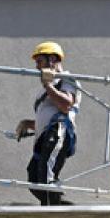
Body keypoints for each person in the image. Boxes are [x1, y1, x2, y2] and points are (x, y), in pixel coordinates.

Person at [15, 41, 80, 206]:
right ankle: (60, 207)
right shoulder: (48, 88)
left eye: (40, 62)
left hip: (58, 131)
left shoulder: (66, 78)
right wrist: (27, 124)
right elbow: (46, 118)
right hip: (47, 134)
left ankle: (52, 213)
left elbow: (66, 105)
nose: (37, 67)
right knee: (34, 177)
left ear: (52, 59)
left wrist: (48, 85)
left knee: (47, 176)